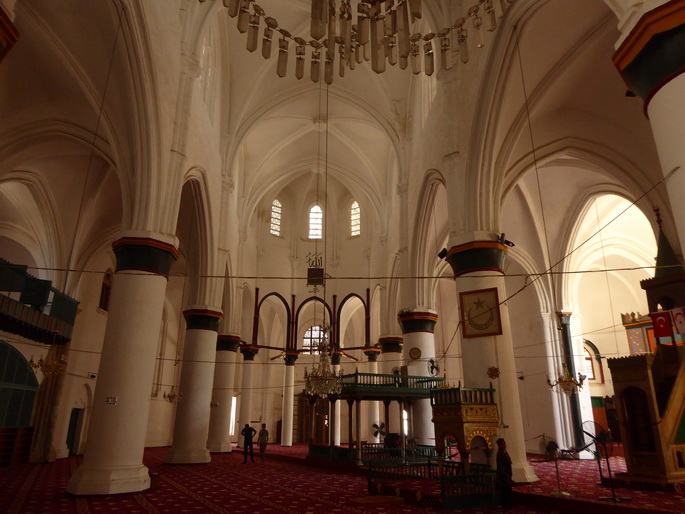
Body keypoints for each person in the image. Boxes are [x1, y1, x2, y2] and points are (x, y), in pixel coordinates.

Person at [496, 438, 513, 510]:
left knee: (508, 491)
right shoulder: (499, 454)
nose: (505, 445)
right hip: (504, 476)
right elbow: (500, 466)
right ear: (500, 445)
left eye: (505, 443)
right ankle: (505, 506)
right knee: (505, 492)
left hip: (508, 474)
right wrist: (506, 475)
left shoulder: (505, 452)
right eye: (503, 444)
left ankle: (508, 505)